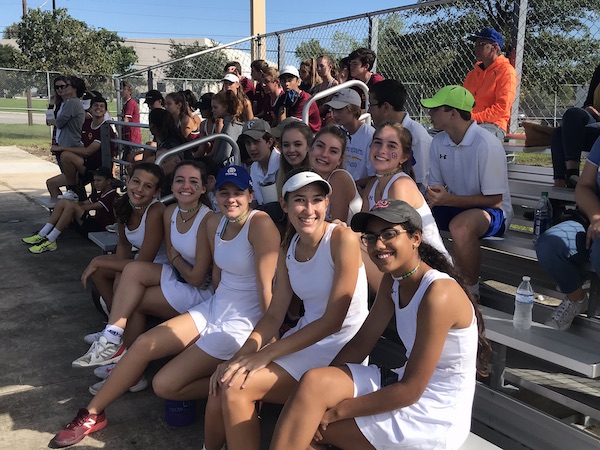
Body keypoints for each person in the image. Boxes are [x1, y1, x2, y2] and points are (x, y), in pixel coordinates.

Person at [50, 165, 280, 449]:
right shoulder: (216, 223)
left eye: (238, 193)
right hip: (213, 307)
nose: (231, 199)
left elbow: (268, 289)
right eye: (224, 192)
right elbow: (218, 278)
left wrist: (268, 342)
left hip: (242, 322)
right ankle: (92, 414)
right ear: (216, 193)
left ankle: (241, 387)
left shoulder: (260, 224)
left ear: (250, 194)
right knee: (144, 344)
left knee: (164, 385)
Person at [270, 199, 491, 450]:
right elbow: (362, 343)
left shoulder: (439, 294)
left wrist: (336, 411)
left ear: (415, 238)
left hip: (433, 414)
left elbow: (411, 391)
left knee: (311, 428)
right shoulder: (393, 280)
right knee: (312, 386)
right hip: (403, 382)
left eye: (389, 234)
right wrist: (324, 387)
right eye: (371, 237)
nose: (378, 245)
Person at [203, 168, 369, 450]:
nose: (309, 209)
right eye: (300, 200)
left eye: (317, 200)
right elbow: (274, 315)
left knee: (235, 387)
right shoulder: (288, 247)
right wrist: (241, 357)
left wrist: (263, 355)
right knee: (227, 379)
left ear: (326, 205)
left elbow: (333, 321)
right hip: (307, 343)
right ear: (285, 204)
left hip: (342, 350)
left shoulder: (342, 238)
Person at [71, 160, 216, 370]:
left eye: (193, 182)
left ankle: (124, 359)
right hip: (173, 274)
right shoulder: (171, 212)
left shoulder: (195, 217)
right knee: (119, 274)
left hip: (192, 284)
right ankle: (113, 340)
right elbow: (124, 246)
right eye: (180, 180)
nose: (186, 186)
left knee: (130, 286)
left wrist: (173, 257)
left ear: (203, 188)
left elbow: (194, 276)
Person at [422, 85, 512, 298]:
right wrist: (432, 198)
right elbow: (436, 187)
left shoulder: (486, 144)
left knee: (461, 227)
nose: (430, 113)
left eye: (435, 109)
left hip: (494, 213)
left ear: (452, 113)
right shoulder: (438, 141)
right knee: (414, 218)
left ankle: (470, 294)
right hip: (455, 205)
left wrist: (447, 199)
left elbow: (495, 201)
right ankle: (428, 283)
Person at [361, 123, 450, 290]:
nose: (381, 150)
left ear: (404, 157)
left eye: (391, 145)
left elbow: (398, 242)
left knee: (349, 245)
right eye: (377, 143)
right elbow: (365, 233)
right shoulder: (372, 185)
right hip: (396, 260)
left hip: (427, 269)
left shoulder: (400, 185)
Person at [80, 162, 167, 313]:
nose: (139, 189)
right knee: (99, 271)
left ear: (156, 192)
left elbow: (144, 262)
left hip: (161, 267)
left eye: (148, 186)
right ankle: (113, 320)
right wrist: (119, 272)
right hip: (140, 263)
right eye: (136, 181)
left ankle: (117, 323)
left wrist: (100, 261)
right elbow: (123, 245)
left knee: (104, 266)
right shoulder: (122, 205)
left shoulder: (156, 211)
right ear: (127, 181)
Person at [535, 136, 600, 329]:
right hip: (590, 218)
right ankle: (576, 299)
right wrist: (596, 217)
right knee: (549, 245)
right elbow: (584, 186)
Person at [23, 167, 119, 254]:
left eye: (99, 180)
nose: (95, 183)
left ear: (109, 181)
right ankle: (43, 233)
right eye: (94, 180)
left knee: (71, 206)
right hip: (92, 225)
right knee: (64, 202)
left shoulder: (112, 196)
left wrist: (72, 205)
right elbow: (84, 203)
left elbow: (89, 207)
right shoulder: (99, 193)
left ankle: (51, 240)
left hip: (99, 230)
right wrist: (70, 203)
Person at [47, 96, 116, 201]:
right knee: (51, 183)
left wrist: (61, 148)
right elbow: (82, 146)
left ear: (105, 111)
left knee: (66, 155)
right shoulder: (86, 124)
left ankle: (73, 190)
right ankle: (61, 210)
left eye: (102, 106)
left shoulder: (105, 128)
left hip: (96, 168)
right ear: (90, 109)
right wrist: (51, 107)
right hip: (83, 165)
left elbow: (88, 151)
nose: (98, 108)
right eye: (96, 106)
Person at [369, 79, 433, 189]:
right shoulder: (380, 131)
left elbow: (419, 182)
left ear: (385, 107)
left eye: (371, 105)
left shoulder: (417, 135)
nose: (368, 111)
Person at [463, 27, 518, 140]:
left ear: (494, 47)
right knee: (432, 136)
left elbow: (501, 108)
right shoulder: (472, 74)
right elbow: (462, 101)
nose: (476, 48)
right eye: (475, 44)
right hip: (467, 122)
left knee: (474, 138)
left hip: (493, 124)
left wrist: (471, 117)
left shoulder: (506, 71)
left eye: (481, 44)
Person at [551, 64, 600, 187]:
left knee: (558, 134)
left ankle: (567, 183)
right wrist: (590, 109)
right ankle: (571, 176)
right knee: (572, 114)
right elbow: (588, 103)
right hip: (595, 121)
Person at [309, 125, 362, 223]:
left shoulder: (339, 178)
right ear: (311, 148)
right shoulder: (309, 177)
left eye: (333, 151)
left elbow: (336, 228)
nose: (324, 154)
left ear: (339, 160)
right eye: (320, 146)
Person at [45, 75, 86, 200]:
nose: (60, 89)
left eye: (64, 86)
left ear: (74, 89)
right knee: (70, 182)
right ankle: (68, 211)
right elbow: (49, 121)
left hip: (70, 146)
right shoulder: (63, 104)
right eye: (57, 87)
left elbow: (60, 122)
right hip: (61, 145)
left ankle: (77, 212)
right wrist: (51, 106)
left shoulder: (72, 103)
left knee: (73, 182)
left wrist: (54, 120)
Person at [326, 88, 375, 185]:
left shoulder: (370, 136)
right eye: (333, 110)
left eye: (339, 110)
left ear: (353, 109)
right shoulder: (335, 132)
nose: (334, 114)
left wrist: (350, 187)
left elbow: (374, 176)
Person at [243, 118, 280, 207]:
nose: (252, 148)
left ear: (269, 142)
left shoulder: (282, 163)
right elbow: (255, 202)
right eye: (248, 143)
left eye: (256, 142)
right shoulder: (253, 168)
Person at [275, 66, 321, 133]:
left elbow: (293, 124)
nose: (286, 84)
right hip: (293, 130)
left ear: (298, 81)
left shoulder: (305, 98)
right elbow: (280, 122)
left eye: (290, 80)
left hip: (311, 134)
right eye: (283, 81)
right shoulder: (283, 97)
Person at [275, 120, 313, 198]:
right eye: (286, 145)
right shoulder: (279, 175)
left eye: (297, 144)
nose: (291, 150)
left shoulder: (316, 176)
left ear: (308, 146)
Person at [210, 90, 244, 167]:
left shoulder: (230, 126)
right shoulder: (231, 123)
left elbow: (224, 155)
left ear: (226, 107)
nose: (212, 110)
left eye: (215, 107)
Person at [313, 54, 339, 127]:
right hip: (319, 117)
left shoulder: (334, 84)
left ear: (329, 67)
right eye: (317, 66)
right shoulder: (318, 87)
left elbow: (325, 106)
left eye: (322, 66)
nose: (318, 69)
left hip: (329, 118)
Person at [120, 81, 143, 161]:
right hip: (127, 136)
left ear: (129, 91)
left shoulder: (131, 103)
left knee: (131, 160)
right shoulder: (125, 104)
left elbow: (126, 121)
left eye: (124, 89)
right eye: (120, 89)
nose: (121, 91)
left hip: (132, 138)